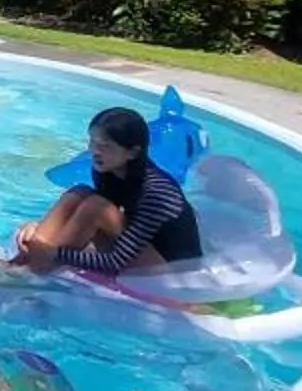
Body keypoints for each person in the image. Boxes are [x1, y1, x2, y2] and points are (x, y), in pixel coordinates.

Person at [13, 105, 204, 274]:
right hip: (143, 251)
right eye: (93, 143)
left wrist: (54, 253)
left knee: (96, 207)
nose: (95, 151)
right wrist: (40, 229)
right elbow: (89, 227)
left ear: (133, 152)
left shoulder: (156, 192)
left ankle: (36, 269)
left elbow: (116, 261)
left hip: (174, 272)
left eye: (105, 146)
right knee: (79, 193)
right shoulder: (109, 173)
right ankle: (22, 262)